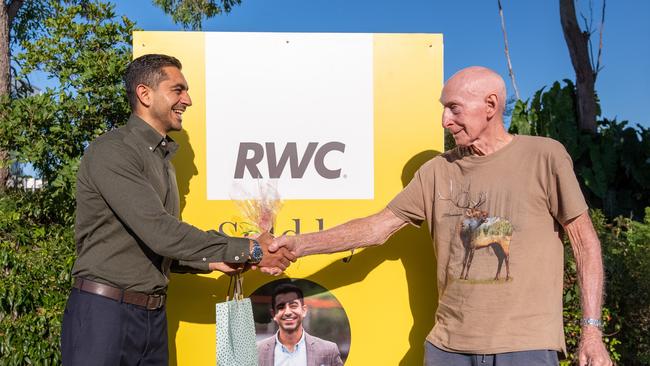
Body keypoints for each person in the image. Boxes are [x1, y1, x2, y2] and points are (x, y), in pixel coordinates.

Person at [269, 66, 613, 366]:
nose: (445, 120)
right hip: (448, 349)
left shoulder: (545, 156)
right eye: (444, 109)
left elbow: (585, 244)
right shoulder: (435, 172)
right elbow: (376, 227)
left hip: (525, 347)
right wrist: (297, 245)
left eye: (454, 108)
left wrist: (591, 332)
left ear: (490, 106)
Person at [60, 54, 295, 366]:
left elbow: (158, 244)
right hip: (104, 316)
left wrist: (214, 261)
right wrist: (249, 249)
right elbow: (159, 232)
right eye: (178, 90)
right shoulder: (113, 151)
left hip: (152, 319)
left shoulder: (162, 162)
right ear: (145, 94)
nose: (188, 100)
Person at [257, 283, 344, 366]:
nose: (287, 312)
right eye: (281, 307)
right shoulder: (257, 351)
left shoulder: (328, 350)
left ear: (304, 311)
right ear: (273, 314)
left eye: (293, 305)